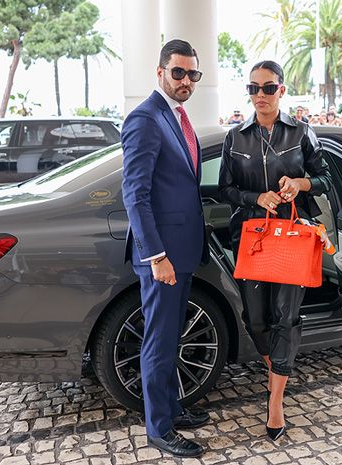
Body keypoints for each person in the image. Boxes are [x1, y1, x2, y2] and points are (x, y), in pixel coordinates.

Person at [218, 60, 331, 441]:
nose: (260, 95)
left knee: (285, 315)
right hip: (253, 236)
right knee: (255, 320)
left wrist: (301, 183)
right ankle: (277, 370)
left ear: (282, 90)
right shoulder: (236, 137)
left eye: (268, 88)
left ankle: (276, 400)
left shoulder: (301, 133)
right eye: (253, 88)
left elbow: (325, 179)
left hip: (294, 235)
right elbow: (226, 190)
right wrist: (256, 196)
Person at [120, 39, 210, 458]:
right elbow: (135, 196)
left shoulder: (177, 116)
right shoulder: (145, 118)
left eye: (193, 74)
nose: (186, 80)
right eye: (178, 72)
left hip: (182, 250)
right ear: (160, 72)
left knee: (172, 335)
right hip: (162, 257)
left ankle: (173, 407)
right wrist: (156, 257)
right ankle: (159, 428)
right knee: (158, 340)